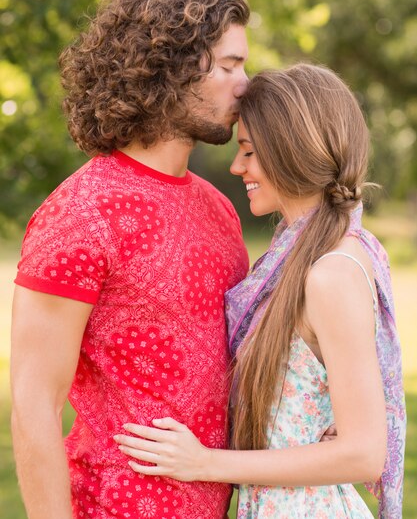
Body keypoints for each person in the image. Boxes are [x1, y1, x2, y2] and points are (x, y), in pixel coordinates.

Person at [11, 0, 251, 519]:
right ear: (172, 66)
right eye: (231, 65)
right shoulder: (81, 212)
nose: (246, 83)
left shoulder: (220, 209)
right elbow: (33, 404)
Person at [115, 64, 406, 519]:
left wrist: (204, 463)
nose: (236, 167)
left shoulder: (330, 273)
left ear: (289, 152)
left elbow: (365, 453)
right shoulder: (298, 258)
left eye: (248, 152)